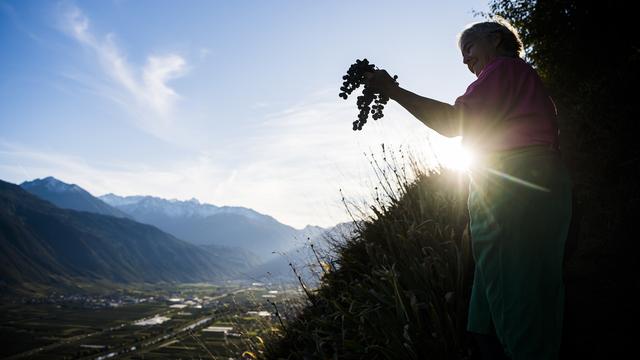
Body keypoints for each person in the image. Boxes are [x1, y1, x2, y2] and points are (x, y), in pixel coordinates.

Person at [363, 16, 572, 360]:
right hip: (527, 191)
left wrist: (392, 91)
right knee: (492, 310)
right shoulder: (523, 81)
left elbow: (451, 123)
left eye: (469, 48)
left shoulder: (503, 70)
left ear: (496, 39)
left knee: (517, 303)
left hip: (514, 196)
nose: (464, 60)